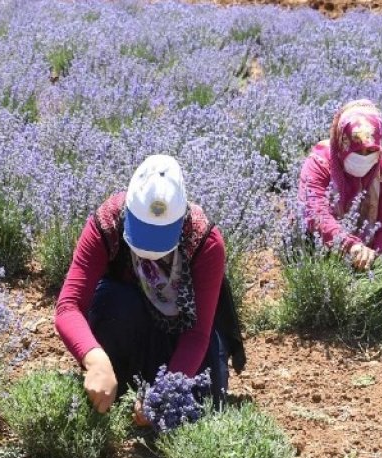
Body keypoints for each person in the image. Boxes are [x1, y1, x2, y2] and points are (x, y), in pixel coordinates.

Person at [55, 155, 245, 421]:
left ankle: (146, 390)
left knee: (202, 404)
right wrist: (94, 359)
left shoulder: (205, 241)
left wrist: (164, 391)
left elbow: (197, 334)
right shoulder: (107, 223)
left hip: (181, 335)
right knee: (114, 301)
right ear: (129, 210)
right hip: (129, 324)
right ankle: (116, 379)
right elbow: (68, 306)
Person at [297, 99, 382, 270]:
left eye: (370, 150)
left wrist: (374, 255)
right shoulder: (320, 162)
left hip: (368, 251)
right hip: (317, 243)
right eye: (356, 150)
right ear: (342, 142)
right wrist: (350, 245)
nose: (364, 157)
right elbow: (314, 211)